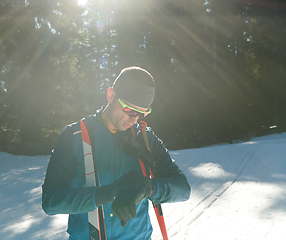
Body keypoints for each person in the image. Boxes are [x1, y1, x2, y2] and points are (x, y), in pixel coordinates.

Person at [42, 66, 191, 240]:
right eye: (129, 110)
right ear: (111, 95)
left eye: (142, 113)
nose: (134, 119)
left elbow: (183, 189)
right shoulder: (74, 136)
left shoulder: (144, 137)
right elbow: (51, 201)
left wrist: (149, 188)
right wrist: (108, 193)